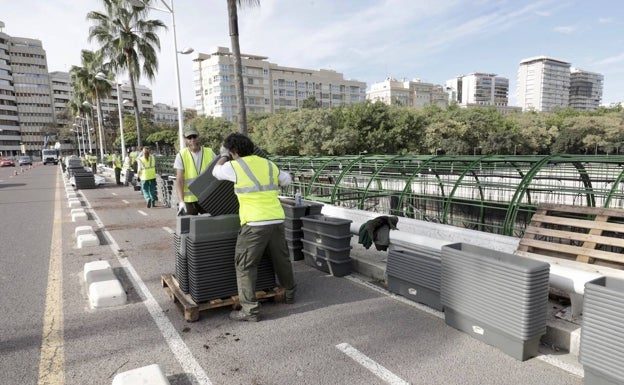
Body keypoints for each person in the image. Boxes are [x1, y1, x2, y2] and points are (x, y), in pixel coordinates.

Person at [212, 133, 296, 322]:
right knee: (281, 259)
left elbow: (215, 172)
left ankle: (249, 311)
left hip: (254, 224)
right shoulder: (268, 165)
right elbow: (287, 180)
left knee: (245, 265)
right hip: (276, 220)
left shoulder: (234, 166)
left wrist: (223, 155)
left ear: (234, 151)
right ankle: (290, 294)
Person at [174, 124, 216, 215]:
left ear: (198, 136)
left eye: (194, 136)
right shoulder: (181, 155)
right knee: (190, 227)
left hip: (207, 197)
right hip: (189, 201)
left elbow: (218, 172)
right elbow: (179, 180)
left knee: (210, 226)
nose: (192, 140)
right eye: (189, 137)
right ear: (185, 139)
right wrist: (181, 201)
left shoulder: (209, 152)